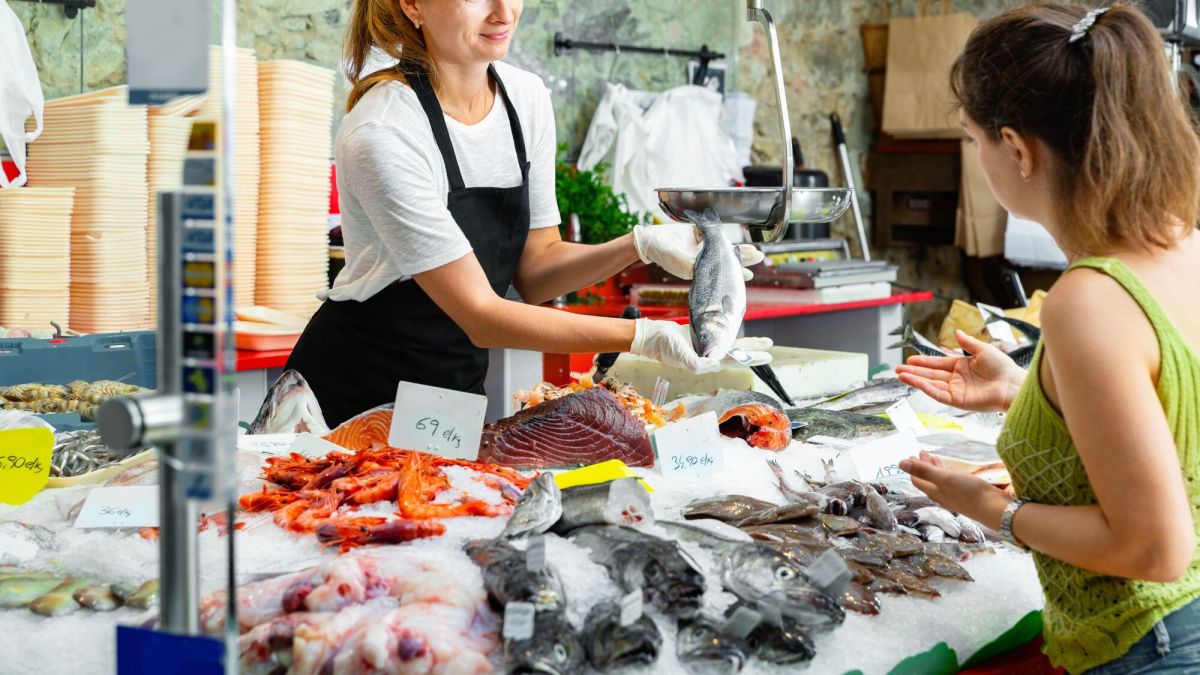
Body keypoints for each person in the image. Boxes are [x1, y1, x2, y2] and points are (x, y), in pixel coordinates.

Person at [286, 0, 771, 426]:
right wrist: (641, 336)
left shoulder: (526, 99)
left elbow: (537, 269)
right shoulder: (384, 131)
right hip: (346, 401)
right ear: (412, 4)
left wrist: (636, 245)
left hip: (447, 398)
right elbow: (480, 314)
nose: (503, 11)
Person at [896, 4, 1200, 673]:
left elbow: (1155, 547)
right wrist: (1027, 390)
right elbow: (1173, 425)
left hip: (1152, 644)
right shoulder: (1184, 245)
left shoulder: (1089, 299)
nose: (980, 160)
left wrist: (992, 508)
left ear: (1017, 149)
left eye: (975, 141)